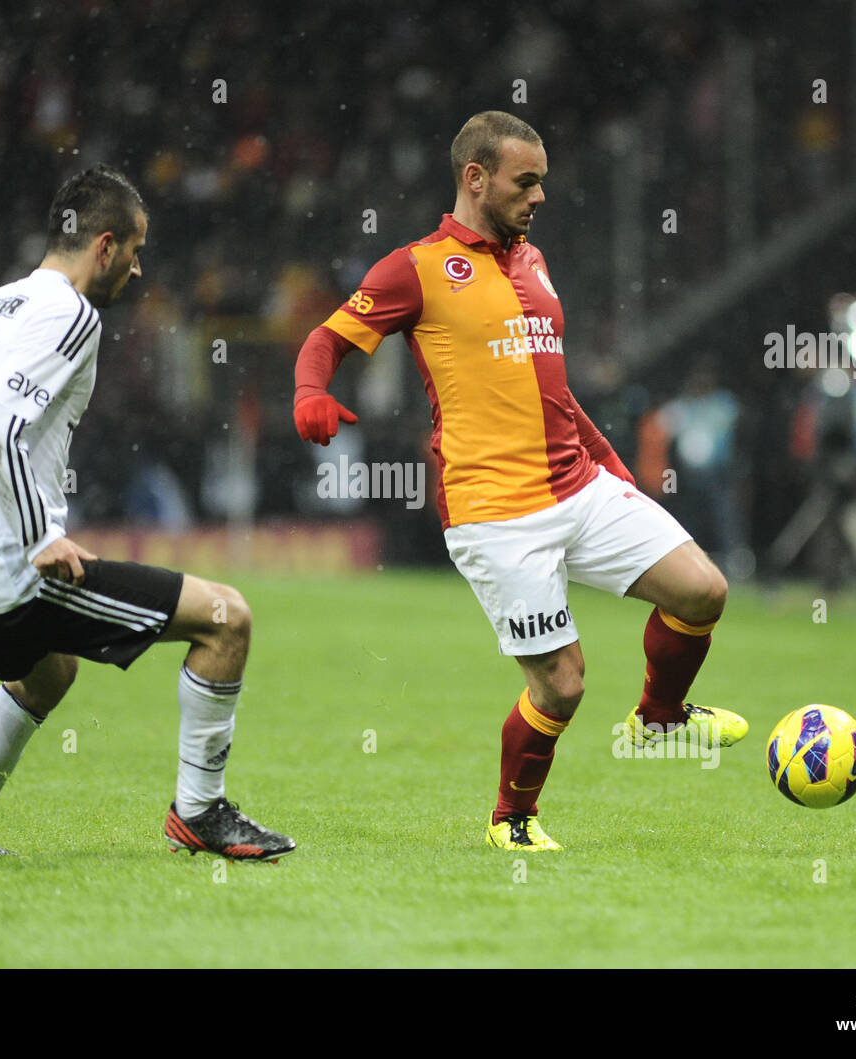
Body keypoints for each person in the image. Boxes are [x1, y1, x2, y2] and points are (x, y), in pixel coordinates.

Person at [293, 112, 746, 852]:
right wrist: (310, 391)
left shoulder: (533, 260)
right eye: (525, 181)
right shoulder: (416, 268)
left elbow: (552, 389)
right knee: (562, 684)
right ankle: (512, 819)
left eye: (542, 181)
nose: (539, 196)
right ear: (476, 177)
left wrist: (608, 461)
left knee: (703, 590)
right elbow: (326, 340)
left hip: (579, 484)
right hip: (494, 509)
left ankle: (659, 719)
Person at [0, 166, 294, 861]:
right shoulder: (72, 314)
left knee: (50, 671)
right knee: (228, 618)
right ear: (104, 246)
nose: (139, 270)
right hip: (14, 569)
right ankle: (201, 812)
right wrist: (40, 535)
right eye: (135, 252)